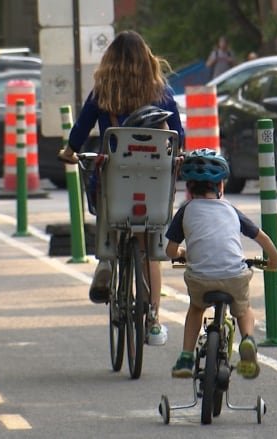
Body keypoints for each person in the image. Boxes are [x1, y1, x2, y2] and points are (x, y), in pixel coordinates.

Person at [58, 30, 183, 347]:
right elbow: (178, 137)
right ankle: (154, 320)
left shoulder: (103, 93)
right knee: (149, 252)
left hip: (115, 181)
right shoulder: (162, 93)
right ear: (148, 61)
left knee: (106, 202)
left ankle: (106, 261)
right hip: (154, 183)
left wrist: (70, 152)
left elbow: (80, 130)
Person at [165, 149, 277, 379]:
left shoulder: (186, 210)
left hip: (200, 278)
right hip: (234, 276)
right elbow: (261, 237)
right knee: (242, 309)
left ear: (189, 189)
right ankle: (248, 341)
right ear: (220, 186)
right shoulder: (231, 209)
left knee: (196, 309)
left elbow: (169, 250)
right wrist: (275, 261)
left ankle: (186, 358)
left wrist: (183, 253)